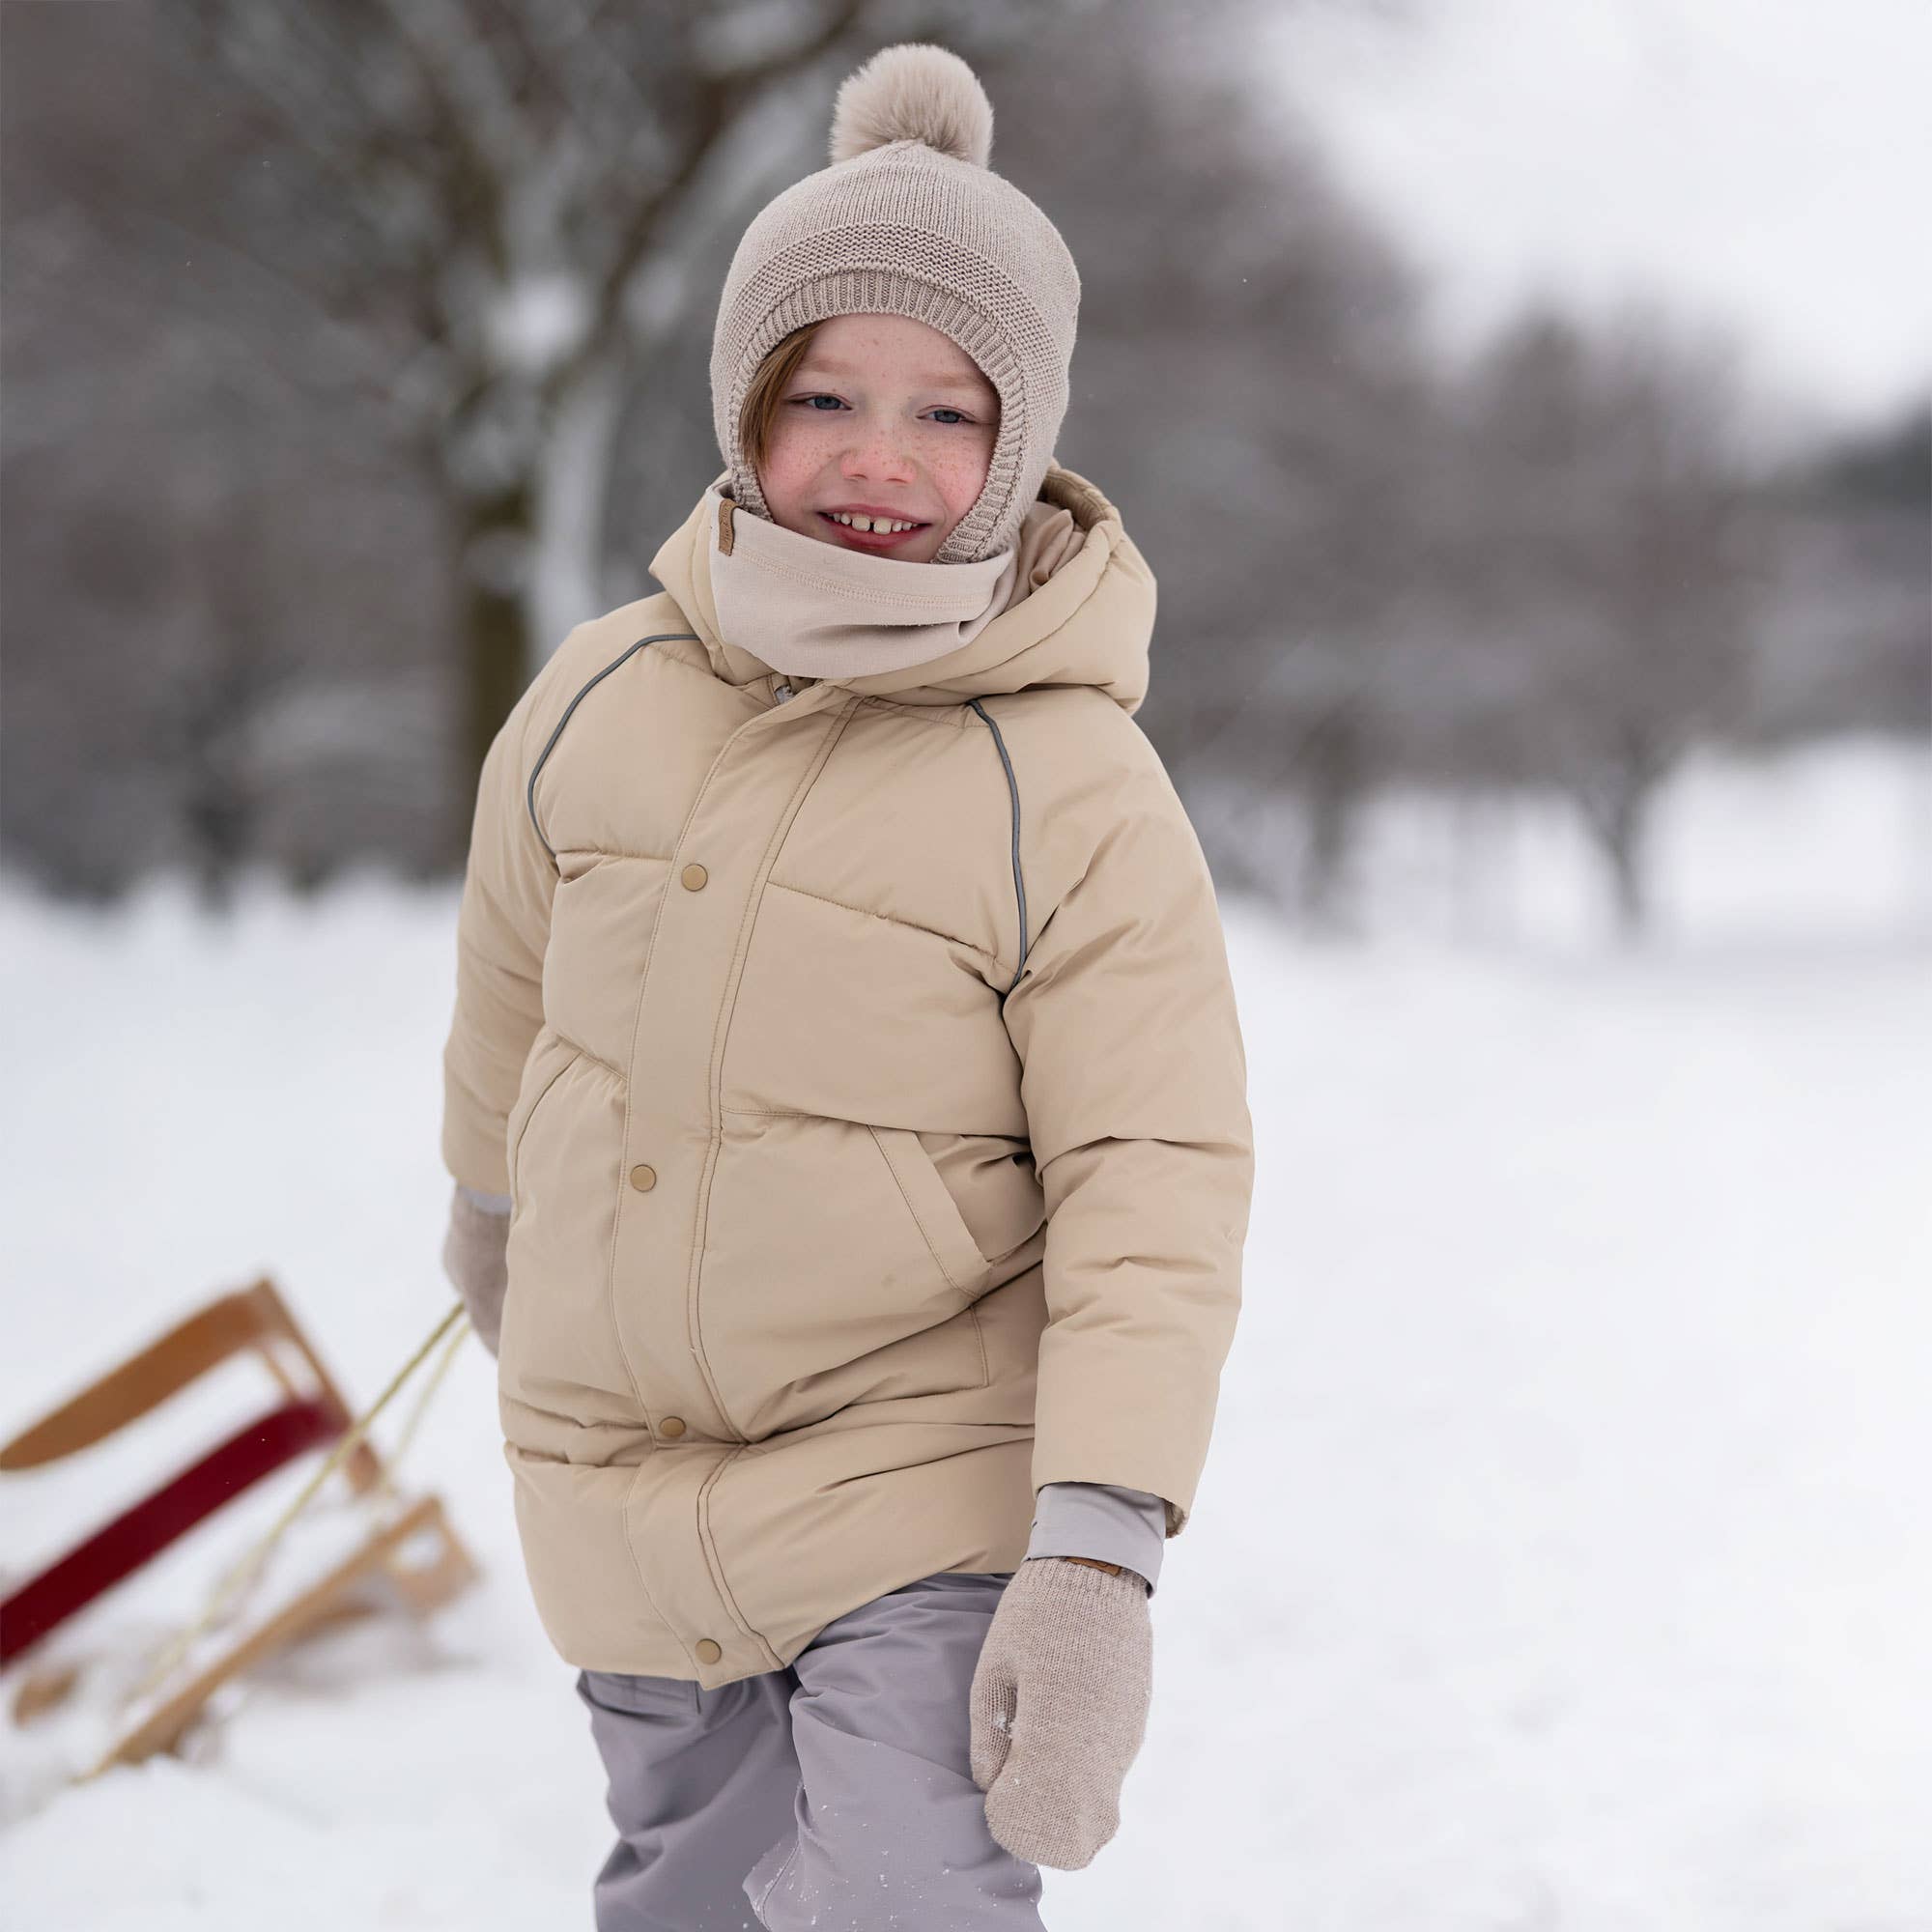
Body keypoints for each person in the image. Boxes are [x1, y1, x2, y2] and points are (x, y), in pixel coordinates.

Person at [439, 41, 1253, 1931]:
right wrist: (490, 1206)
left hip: (926, 1481)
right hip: (620, 1474)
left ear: (1020, 438)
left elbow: (1156, 1178)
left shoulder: (1065, 781)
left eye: (945, 411)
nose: (879, 451)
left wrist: (1098, 1549)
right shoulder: (597, 695)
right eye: (822, 393)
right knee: (689, 1904)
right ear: (739, 405)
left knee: (902, 1896)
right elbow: (508, 979)